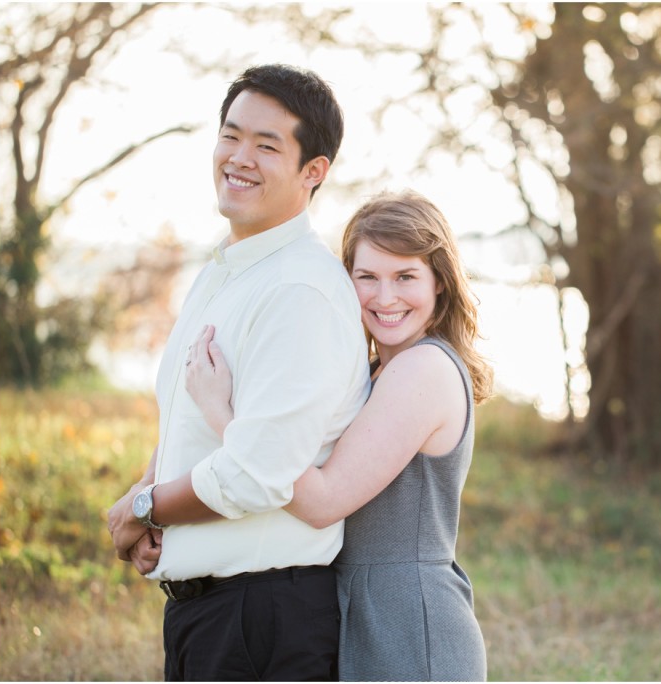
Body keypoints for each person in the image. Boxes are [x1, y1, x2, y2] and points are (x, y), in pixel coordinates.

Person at [106, 63, 370, 681]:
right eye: (231, 134)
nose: (238, 157)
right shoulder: (228, 270)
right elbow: (187, 419)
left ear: (314, 172)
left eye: (266, 144)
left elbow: (257, 473)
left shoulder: (299, 290)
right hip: (213, 618)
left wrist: (148, 508)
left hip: (263, 623)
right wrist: (146, 490)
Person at [184, 189, 493, 681]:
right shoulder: (376, 372)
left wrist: (221, 413)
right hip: (357, 606)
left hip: (407, 621)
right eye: (366, 277)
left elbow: (323, 499)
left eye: (406, 277)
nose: (384, 297)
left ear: (441, 284)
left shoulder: (424, 368)